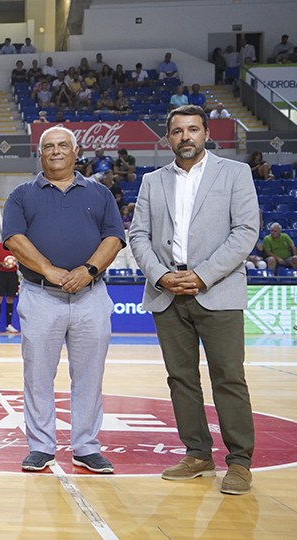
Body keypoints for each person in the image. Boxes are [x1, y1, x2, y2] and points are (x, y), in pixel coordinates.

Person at [130, 104, 259, 495]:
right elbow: (138, 235)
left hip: (216, 291)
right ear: (167, 138)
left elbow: (245, 231)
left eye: (192, 130)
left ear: (206, 133)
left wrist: (202, 275)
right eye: (177, 131)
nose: (185, 137)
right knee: (181, 379)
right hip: (167, 292)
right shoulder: (152, 180)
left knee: (229, 378)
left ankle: (239, 462)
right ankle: (198, 454)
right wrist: (163, 276)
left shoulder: (235, 172)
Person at [1, 125, 125, 474]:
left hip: (91, 295)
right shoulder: (22, 194)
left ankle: (86, 446)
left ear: (76, 151)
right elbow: (14, 238)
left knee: (89, 376)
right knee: (37, 375)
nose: (56, 151)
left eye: (63, 145)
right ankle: (41, 446)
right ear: (40, 153)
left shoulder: (100, 193)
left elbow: (114, 238)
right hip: (41, 295)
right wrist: (49, 270)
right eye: (49, 146)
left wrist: (88, 269)